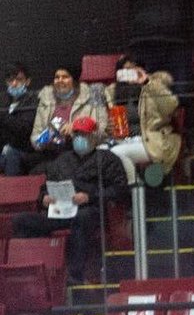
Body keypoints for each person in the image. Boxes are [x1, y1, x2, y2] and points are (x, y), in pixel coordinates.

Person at [14, 115, 128, 284]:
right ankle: (31, 274)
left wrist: (90, 196)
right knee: (22, 221)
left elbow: (119, 189)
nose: (80, 139)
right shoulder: (62, 160)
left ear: (93, 136)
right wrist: (43, 198)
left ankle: (75, 276)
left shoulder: (107, 159)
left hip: (90, 211)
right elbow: (46, 187)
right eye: (77, 135)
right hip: (60, 211)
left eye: (84, 134)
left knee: (82, 218)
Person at [102, 54, 182, 184]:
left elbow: (171, 106)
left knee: (117, 153)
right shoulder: (112, 92)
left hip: (152, 140)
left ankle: (135, 187)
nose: (129, 73)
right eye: (125, 70)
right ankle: (128, 188)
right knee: (101, 153)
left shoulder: (154, 86)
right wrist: (107, 128)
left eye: (133, 69)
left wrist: (147, 82)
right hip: (122, 139)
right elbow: (104, 122)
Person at [29, 66, 107, 167]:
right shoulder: (46, 99)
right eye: (57, 77)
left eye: (65, 77)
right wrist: (50, 134)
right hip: (52, 155)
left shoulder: (92, 95)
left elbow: (102, 132)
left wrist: (76, 128)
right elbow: (35, 140)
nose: (60, 80)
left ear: (74, 81)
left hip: (84, 153)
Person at [2, 62, 38, 176]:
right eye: (10, 80)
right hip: (3, 150)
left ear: (27, 81)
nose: (14, 83)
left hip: (24, 151)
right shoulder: (3, 100)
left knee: (12, 154)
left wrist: (3, 116)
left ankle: (10, 192)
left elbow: (25, 128)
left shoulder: (33, 100)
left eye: (18, 80)